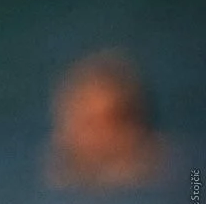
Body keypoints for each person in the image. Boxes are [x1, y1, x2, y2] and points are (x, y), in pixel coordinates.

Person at [46, 49, 167, 190]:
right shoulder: (59, 170)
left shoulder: (155, 167)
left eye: (108, 125)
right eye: (88, 124)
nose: (95, 137)